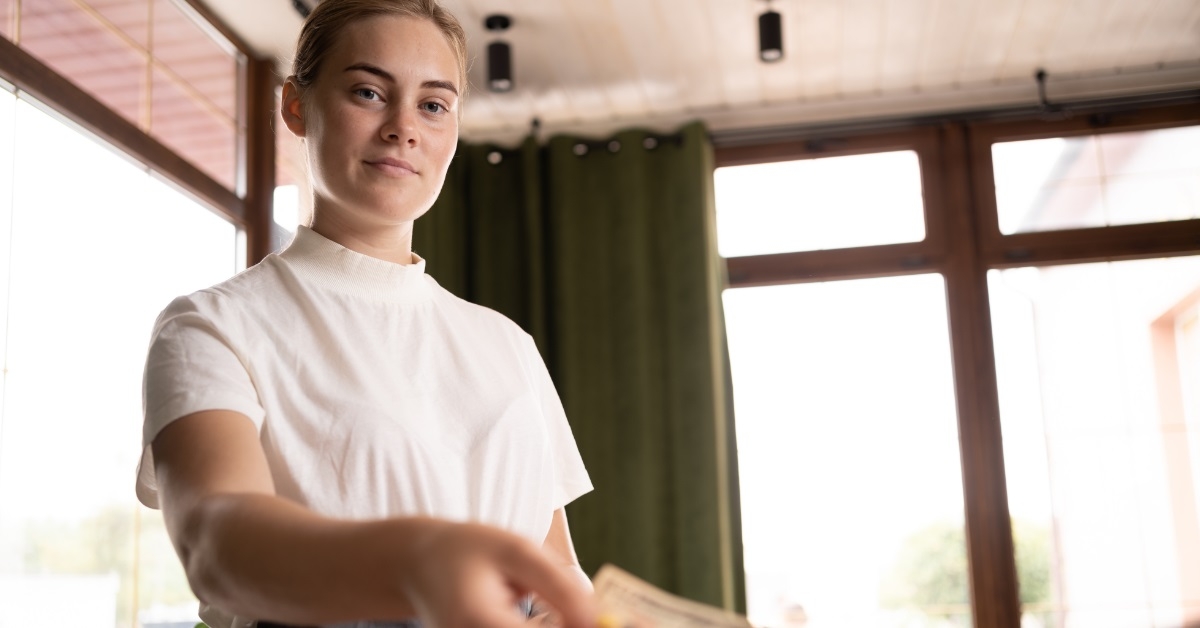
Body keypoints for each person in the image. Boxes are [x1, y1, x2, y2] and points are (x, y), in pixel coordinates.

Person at [133, 1, 598, 626]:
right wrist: (414, 566)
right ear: (296, 106)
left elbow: (556, 569)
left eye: (433, 105)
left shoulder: (508, 344)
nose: (404, 128)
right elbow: (216, 545)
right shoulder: (211, 328)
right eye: (368, 92)